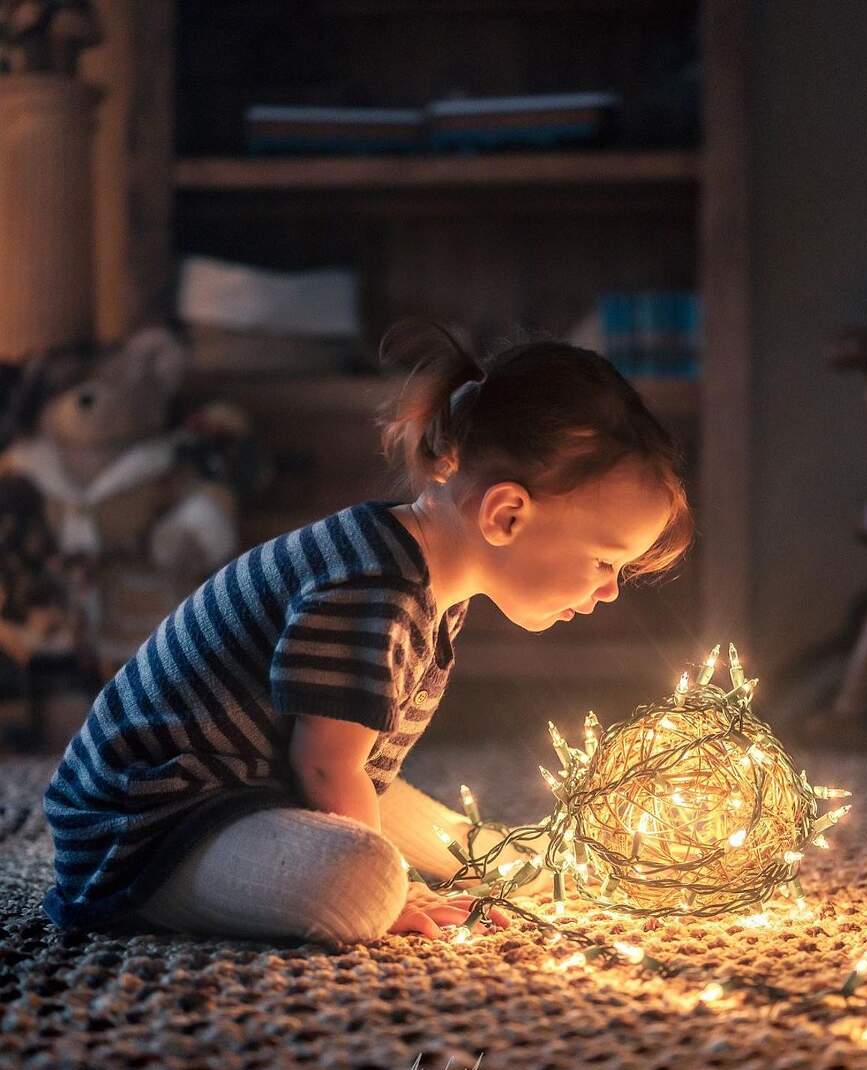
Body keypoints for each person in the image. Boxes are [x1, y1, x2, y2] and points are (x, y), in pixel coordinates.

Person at [41, 319, 693, 946]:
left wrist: (480, 853)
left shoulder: (415, 574)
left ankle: (495, 856)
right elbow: (324, 766)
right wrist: (401, 890)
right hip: (147, 827)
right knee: (367, 879)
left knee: (472, 844)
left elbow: (357, 769)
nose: (609, 589)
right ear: (506, 514)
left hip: (233, 793)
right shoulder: (373, 589)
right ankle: (205, 893)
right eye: (607, 561)